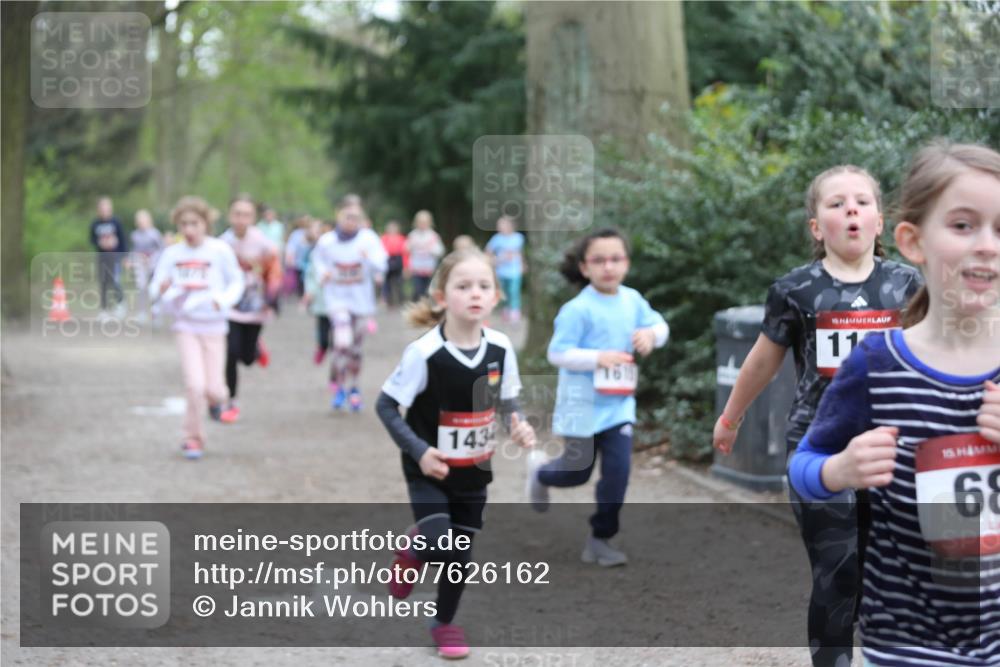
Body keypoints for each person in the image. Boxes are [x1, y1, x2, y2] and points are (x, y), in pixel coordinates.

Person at [789, 141, 1000, 667]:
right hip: (905, 646)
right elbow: (803, 466)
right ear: (912, 240)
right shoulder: (878, 364)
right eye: (963, 225)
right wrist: (839, 470)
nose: (987, 245)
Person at [712, 165, 923, 667]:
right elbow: (762, 360)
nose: (851, 209)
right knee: (837, 568)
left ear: (879, 221)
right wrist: (731, 416)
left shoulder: (909, 284)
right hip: (819, 446)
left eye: (862, 202)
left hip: (896, 449)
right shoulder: (795, 290)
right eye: (836, 203)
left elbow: (941, 352)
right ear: (816, 227)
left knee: (890, 570)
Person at [376, 248, 537, 659]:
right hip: (428, 469)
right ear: (442, 296)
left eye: (484, 286)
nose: (474, 293)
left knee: (460, 557)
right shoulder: (425, 352)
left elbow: (506, 400)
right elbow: (386, 406)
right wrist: (419, 451)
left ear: (497, 296)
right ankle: (414, 551)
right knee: (439, 542)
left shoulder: (501, 348)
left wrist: (517, 424)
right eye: (463, 286)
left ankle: (443, 623)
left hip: (474, 470)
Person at [525, 228, 668, 566]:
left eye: (615, 259)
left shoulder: (633, 300)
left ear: (626, 263)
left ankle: (600, 539)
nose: (608, 266)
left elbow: (661, 326)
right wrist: (597, 358)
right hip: (581, 407)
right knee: (576, 473)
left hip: (619, 407)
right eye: (599, 260)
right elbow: (557, 353)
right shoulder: (577, 309)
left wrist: (651, 335)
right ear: (584, 267)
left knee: (618, 474)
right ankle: (541, 473)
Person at [148, 196, 244, 459]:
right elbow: (155, 287)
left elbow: (236, 281)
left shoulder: (219, 250)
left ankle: (218, 402)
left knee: (215, 391)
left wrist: (222, 300)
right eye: (184, 224)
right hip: (186, 326)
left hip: (214, 327)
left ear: (206, 224)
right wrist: (162, 290)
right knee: (195, 386)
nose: (189, 229)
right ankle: (192, 438)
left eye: (194, 223)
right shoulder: (172, 254)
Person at [310, 200, 387, 411]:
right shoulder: (327, 241)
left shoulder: (369, 239)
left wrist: (368, 258)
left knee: (356, 349)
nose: (352, 221)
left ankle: (354, 387)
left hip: (361, 302)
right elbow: (317, 262)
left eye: (356, 218)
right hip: (337, 301)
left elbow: (382, 264)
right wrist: (323, 274)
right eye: (348, 217)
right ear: (339, 216)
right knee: (342, 343)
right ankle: (339, 386)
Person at [219, 194, 283, 423]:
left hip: (256, 306)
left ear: (253, 218)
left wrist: (272, 297)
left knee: (246, 358)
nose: (241, 219)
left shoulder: (263, 243)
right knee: (230, 352)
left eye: (246, 215)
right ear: (229, 215)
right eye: (237, 214)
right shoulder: (221, 244)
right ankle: (231, 401)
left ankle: (255, 348)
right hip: (230, 306)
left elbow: (274, 272)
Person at [90, 196, 128, 320]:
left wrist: (125, 256)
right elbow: (92, 239)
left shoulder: (116, 222)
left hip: (115, 257)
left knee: (115, 280)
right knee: (103, 282)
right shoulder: (95, 224)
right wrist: (100, 243)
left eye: (107, 207)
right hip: (102, 257)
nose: (105, 210)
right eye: (102, 207)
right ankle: (104, 309)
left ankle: (120, 304)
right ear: (99, 209)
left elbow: (123, 240)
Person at [485, 216, 526, 323]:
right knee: (503, 292)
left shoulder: (518, 238)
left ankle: (514, 312)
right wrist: (495, 260)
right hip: (501, 272)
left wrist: (522, 264)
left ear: (510, 225)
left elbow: (520, 253)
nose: (499, 227)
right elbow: (488, 252)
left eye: (502, 224)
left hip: (514, 270)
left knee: (514, 291)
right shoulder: (496, 239)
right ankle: (505, 311)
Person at [129, 209, 164, 324]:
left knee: (154, 289)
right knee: (141, 288)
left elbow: (161, 249)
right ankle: (142, 312)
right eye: (139, 221)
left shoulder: (155, 234)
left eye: (144, 221)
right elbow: (133, 249)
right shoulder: (135, 235)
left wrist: (152, 259)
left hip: (154, 265)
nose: (142, 223)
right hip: (140, 265)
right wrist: (131, 259)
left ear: (149, 221)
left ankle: (156, 313)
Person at [406, 210, 445, 300]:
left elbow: (440, 251)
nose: (422, 224)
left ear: (430, 223)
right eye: (420, 222)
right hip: (416, 268)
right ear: (416, 223)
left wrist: (432, 250)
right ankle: (417, 305)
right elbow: (406, 249)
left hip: (429, 269)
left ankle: (426, 306)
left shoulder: (433, 236)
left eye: (424, 222)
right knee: (417, 290)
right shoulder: (413, 235)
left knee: (428, 291)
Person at [381, 220, 408, 307]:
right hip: (387, 259)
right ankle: (388, 299)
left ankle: (400, 299)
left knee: (399, 282)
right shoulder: (384, 238)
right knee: (387, 281)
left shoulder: (402, 238)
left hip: (398, 260)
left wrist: (405, 266)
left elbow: (405, 253)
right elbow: (380, 251)